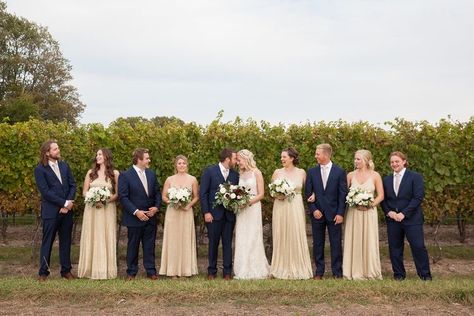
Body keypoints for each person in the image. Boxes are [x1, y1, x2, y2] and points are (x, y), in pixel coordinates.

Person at [381, 151, 432, 281]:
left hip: (412, 218)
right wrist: (389, 212)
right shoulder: (386, 179)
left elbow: (418, 197)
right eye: (392, 162)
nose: (394, 164)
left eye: (397, 161)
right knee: (395, 248)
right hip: (393, 220)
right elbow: (383, 199)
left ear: (404, 161)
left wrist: (404, 213)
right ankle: (398, 275)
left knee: (418, 247)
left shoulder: (415, 177)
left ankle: (425, 275)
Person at [34, 140, 76, 281]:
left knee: (65, 242)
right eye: (55, 149)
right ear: (47, 153)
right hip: (51, 212)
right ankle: (43, 273)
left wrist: (68, 203)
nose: (58, 150)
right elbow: (45, 192)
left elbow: (72, 185)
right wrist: (63, 203)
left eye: (58, 148)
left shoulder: (64, 166)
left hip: (67, 212)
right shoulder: (40, 169)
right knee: (47, 242)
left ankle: (66, 271)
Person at [305, 143, 347, 279]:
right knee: (317, 243)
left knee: (336, 244)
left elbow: (342, 194)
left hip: (334, 214)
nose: (315, 156)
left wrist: (341, 213)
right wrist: (314, 209)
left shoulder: (339, 172)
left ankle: (337, 272)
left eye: (317, 153)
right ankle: (319, 271)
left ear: (326, 155)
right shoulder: (311, 172)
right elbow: (308, 193)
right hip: (317, 214)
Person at [118, 148, 162, 280]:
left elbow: (157, 192)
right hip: (134, 218)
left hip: (150, 217)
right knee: (133, 245)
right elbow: (123, 197)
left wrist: (156, 206)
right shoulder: (125, 175)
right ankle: (131, 272)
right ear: (139, 160)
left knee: (150, 245)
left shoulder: (151, 174)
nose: (149, 160)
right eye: (147, 158)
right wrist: (136, 212)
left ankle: (151, 271)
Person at [270, 147, 312, 279]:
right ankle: (280, 267)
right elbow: (272, 191)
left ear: (292, 158)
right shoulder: (277, 172)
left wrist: (314, 195)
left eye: (284, 157)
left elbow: (310, 189)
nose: (282, 159)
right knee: (281, 233)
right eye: (281, 157)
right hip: (280, 206)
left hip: (295, 206)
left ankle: (298, 267)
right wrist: (277, 195)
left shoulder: (301, 172)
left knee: (295, 233)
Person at [77, 148, 119, 279]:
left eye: (100, 154)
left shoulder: (115, 174)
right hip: (92, 210)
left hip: (107, 209)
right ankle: (89, 270)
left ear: (106, 156)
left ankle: (105, 270)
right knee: (92, 235)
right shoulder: (91, 173)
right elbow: (84, 191)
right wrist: (93, 198)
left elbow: (117, 194)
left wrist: (105, 200)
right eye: (97, 154)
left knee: (105, 235)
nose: (97, 156)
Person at [343, 149, 383, 280]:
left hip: (369, 213)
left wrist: (370, 205)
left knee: (368, 239)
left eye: (358, 159)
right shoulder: (350, 175)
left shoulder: (375, 175)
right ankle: (352, 270)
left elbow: (381, 195)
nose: (356, 161)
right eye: (355, 159)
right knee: (354, 239)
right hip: (354, 213)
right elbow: (344, 194)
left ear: (366, 160)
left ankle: (369, 271)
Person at [199, 148, 239, 280]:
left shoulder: (235, 175)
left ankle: (227, 272)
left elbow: (237, 194)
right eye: (234, 158)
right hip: (213, 215)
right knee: (213, 243)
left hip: (229, 215)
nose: (236, 161)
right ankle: (212, 271)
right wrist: (206, 212)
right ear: (227, 159)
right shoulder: (210, 171)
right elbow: (203, 193)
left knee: (228, 244)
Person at [159, 155, 199, 277]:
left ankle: (186, 270)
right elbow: (164, 196)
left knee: (185, 238)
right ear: (176, 165)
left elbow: (196, 196)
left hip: (186, 212)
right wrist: (171, 202)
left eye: (184, 163)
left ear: (187, 165)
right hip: (173, 213)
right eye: (179, 163)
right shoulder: (169, 179)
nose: (182, 165)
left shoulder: (192, 179)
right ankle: (172, 271)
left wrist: (189, 205)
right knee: (173, 239)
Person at [233, 149, 270, 279]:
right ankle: (242, 268)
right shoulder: (240, 174)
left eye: (239, 160)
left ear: (246, 158)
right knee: (242, 236)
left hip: (253, 208)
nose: (238, 163)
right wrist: (237, 201)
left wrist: (248, 202)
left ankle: (256, 268)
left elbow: (261, 194)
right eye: (237, 160)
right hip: (242, 211)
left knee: (253, 235)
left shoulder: (256, 172)